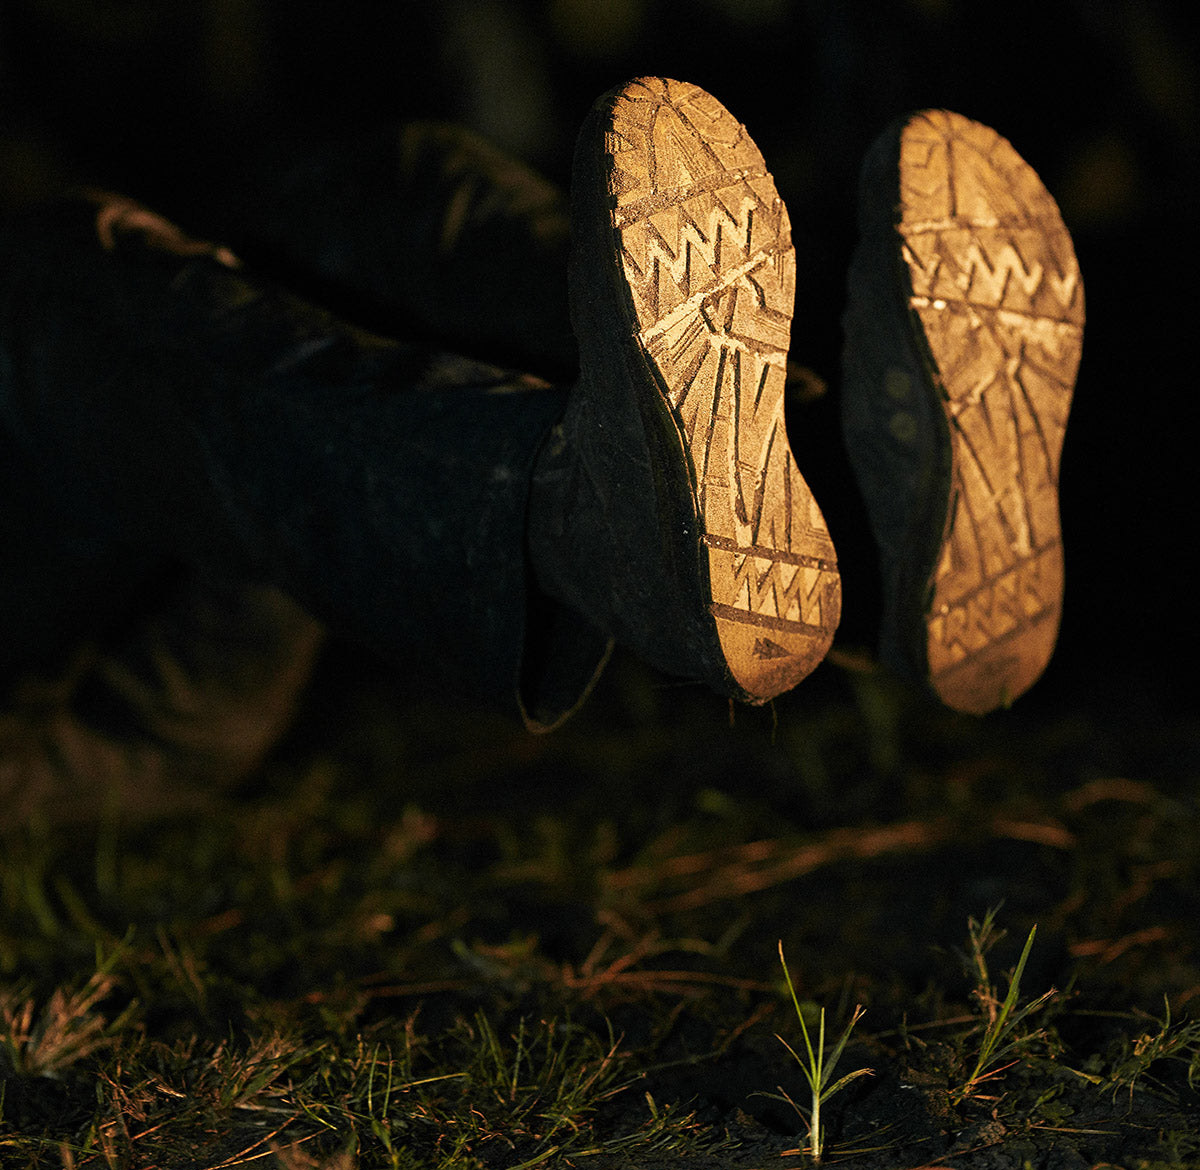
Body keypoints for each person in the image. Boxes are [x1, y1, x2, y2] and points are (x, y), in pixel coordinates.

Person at [0, 77, 1083, 824]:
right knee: (46, 294)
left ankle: (871, 516)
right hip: (79, 715)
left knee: (393, 187)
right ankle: (590, 515)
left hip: (165, 580)